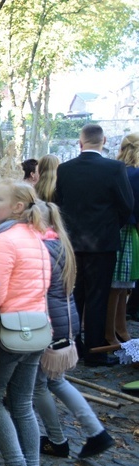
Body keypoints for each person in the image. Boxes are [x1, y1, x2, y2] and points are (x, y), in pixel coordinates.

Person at [0, 179, 50, 466]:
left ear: (18, 207)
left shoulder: (3, 240)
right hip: (37, 329)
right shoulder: (36, 236)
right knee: (22, 403)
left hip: (7, 334)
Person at [33, 201, 116, 461]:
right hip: (65, 321)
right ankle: (96, 431)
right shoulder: (61, 244)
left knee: (39, 386)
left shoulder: (40, 249)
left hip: (47, 323)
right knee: (56, 381)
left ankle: (57, 441)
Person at [55, 124, 133, 366]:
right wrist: (111, 226)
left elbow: (59, 204)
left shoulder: (65, 169)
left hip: (73, 243)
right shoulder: (114, 168)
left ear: (80, 143)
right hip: (103, 243)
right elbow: (127, 204)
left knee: (74, 295)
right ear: (104, 141)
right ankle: (95, 351)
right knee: (98, 297)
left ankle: (73, 346)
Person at [105, 133, 139, 346]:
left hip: (112, 229)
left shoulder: (114, 170)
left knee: (119, 286)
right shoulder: (134, 173)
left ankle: (120, 328)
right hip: (126, 229)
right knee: (117, 286)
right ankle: (111, 333)